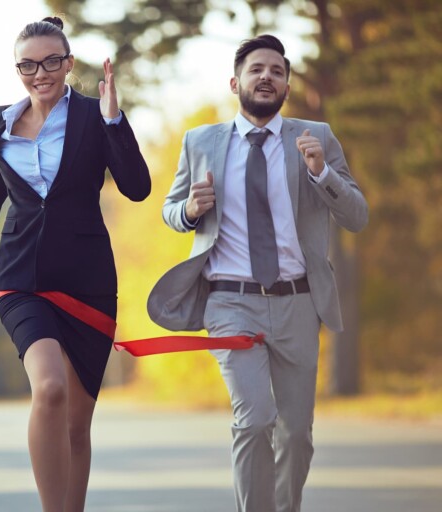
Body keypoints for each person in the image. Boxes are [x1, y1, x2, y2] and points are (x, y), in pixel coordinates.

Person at [147, 35, 368, 512]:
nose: (267, 76)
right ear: (236, 82)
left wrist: (320, 174)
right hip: (230, 301)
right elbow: (169, 209)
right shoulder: (200, 141)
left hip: (298, 301)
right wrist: (187, 209)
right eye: (256, 69)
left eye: (277, 71)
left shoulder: (317, 137)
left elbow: (357, 216)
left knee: (296, 434)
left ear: (287, 85)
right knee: (254, 420)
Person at [0, 16, 150, 512]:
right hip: (21, 278)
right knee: (51, 388)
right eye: (28, 65)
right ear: (17, 68)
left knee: (78, 425)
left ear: (68, 63)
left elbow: (138, 187)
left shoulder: (92, 116)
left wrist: (112, 121)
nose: (40, 73)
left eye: (50, 62)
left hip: (88, 282)